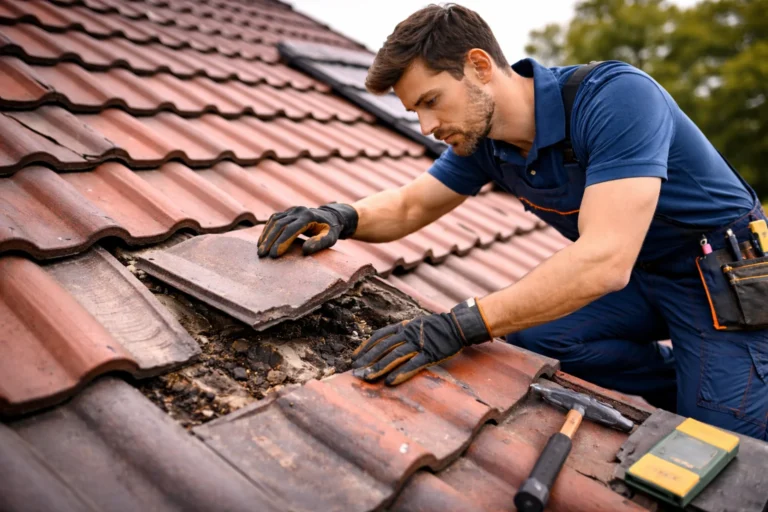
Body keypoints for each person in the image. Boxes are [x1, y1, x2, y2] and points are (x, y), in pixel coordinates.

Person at [257, 4, 768, 440]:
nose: (428, 127)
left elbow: (605, 261)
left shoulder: (614, 99)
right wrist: (338, 216)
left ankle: (723, 382)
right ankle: (689, 376)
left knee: (719, 442)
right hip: (643, 276)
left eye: (431, 101)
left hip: (720, 279)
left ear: (479, 66)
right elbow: (411, 205)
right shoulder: (486, 142)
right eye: (416, 112)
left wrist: (457, 326)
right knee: (534, 339)